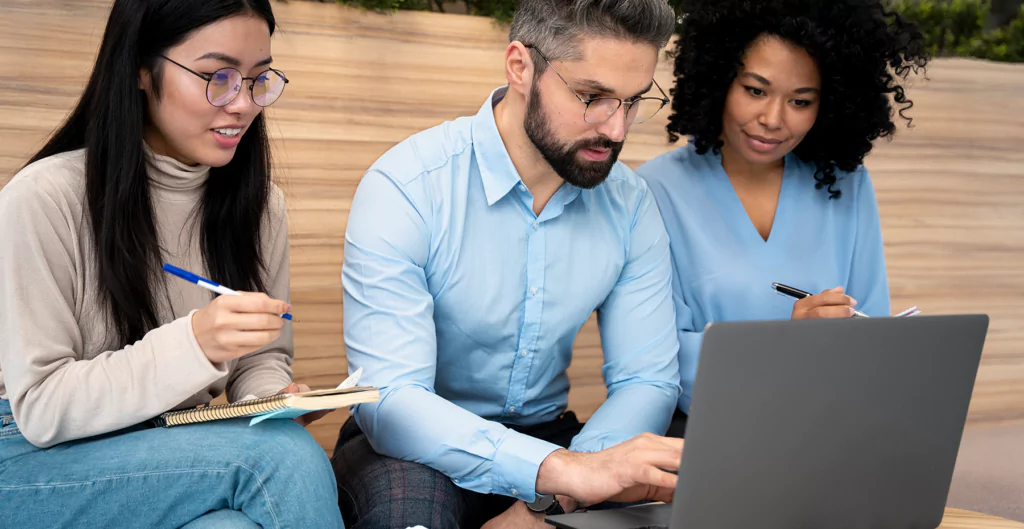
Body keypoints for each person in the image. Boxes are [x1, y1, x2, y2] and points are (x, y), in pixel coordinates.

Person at [331, 0, 685, 527]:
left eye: (633, 101)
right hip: (411, 444)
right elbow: (392, 399)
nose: (616, 130)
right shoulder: (407, 186)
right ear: (521, 67)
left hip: (555, 439)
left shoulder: (630, 205)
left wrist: (554, 497)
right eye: (593, 98)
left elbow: (647, 381)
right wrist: (559, 471)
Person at [0, 1, 343, 527]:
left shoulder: (259, 206)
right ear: (141, 67)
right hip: (29, 457)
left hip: (165, 444)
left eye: (258, 79)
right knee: (283, 459)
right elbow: (42, 408)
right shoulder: (43, 198)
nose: (243, 104)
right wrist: (195, 343)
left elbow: (261, 357)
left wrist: (269, 398)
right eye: (216, 76)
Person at [636, 0, 930, 437]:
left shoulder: (847, 184)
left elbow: (872, 333)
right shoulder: (655, 190)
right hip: (709, 434)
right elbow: (658, 358)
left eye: (800, 101)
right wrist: (785, 347)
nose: (772, 120)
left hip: (828, 428)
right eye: (755, 90)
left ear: (827, 105)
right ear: (719, 80)